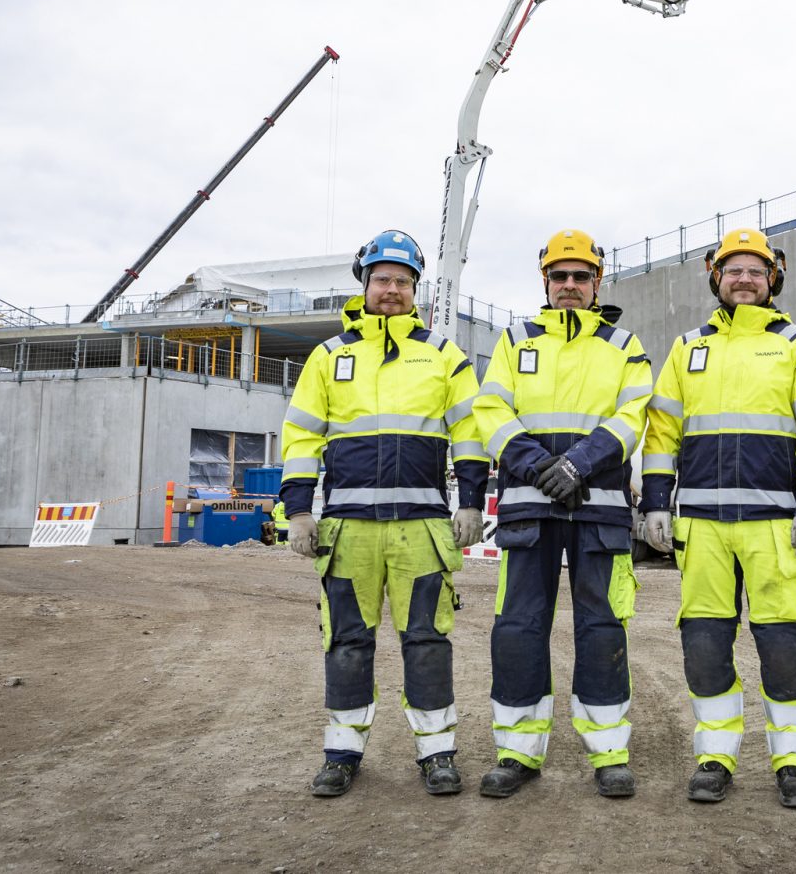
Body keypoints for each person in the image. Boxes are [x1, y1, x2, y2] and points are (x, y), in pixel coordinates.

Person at [279, 230, 489, 798]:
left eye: (402, 281)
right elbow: (301, 435)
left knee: (427, 639)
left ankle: (437, 753)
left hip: (421, 526)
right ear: (364, 284)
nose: (391, 290)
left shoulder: (442, 355)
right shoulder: (330, 357)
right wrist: (298, 511)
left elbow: (471, 432)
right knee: (347, 641)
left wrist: (471, 501)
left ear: (415, 290)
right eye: (381, 280)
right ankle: (341, 753)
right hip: (348, 529)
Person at [639, 229, 796, 809]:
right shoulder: (686, 349)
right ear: (716, 277)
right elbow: (662, 433)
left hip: (775, 525)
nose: (744, 280)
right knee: (704, 644)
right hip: (702, 525)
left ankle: (793, 762)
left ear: (773, 278)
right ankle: (715, 756)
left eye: (755, 270)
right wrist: (656, 503)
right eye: (734, 270)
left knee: (783, 646)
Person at [473, 228, 653, 799]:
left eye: (580, 276)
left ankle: (609, 753)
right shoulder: (513, 341)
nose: (569, 284)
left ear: (597, 282)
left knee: (602, 629)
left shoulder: (623, 345)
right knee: (519, 628)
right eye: (559, 276)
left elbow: (634, 415)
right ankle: (517, 753)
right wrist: (539, 467)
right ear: (545, 282)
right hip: (530, 510)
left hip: (598, 512)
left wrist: (577, 464)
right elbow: (491, 409)